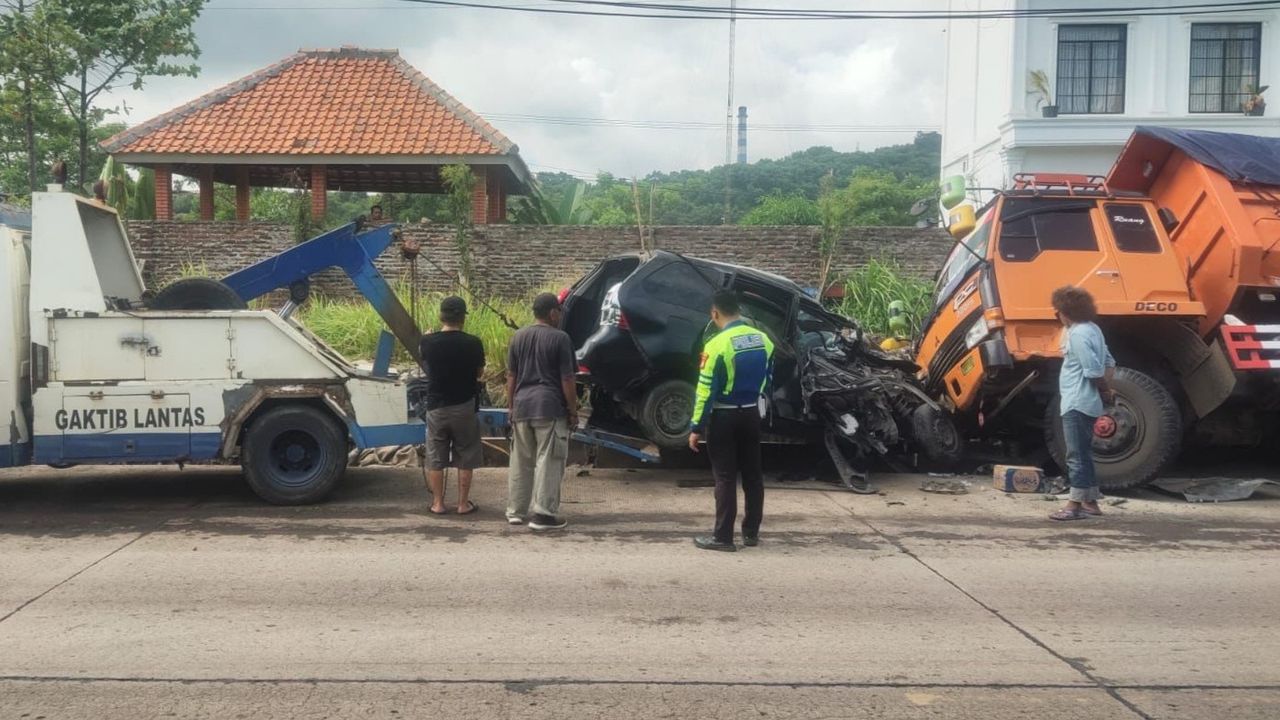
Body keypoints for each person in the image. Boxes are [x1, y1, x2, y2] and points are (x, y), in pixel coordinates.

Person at [689, 290, 774, 552]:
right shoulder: (764, 340)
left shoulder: (716, 345)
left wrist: (696, 427)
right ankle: (751, 533)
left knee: (725, 477)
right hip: (750, 413)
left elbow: (705, 391)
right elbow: (768, 381)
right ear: (738, 310)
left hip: (724, 415)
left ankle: (723, 538)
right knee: (753, 475)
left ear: (715, 313)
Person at [505, 292, 578, 531]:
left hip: (522, 406)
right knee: (549, 461)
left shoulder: (518, 337)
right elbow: (567, 379)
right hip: (549, 407)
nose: (560, 315)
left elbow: (511, 376)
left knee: (521, 461)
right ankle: (543, 516)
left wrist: (511, 407)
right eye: (558, 311)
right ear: (552, 313)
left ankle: (515, 512)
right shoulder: (561, 338)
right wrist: (573, 410)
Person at [1049, 285, 1115, 522]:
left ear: (1066, 312)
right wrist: (1105, 390)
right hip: (1090, 403)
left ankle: (1073, 505)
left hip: (1076, 402)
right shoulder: (1094, 329)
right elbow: (1109, 361)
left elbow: (1092, 369)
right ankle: (1091, 502)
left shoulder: (1076, 334)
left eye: (1057, 311)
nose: (1057, 316)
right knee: (1084, 453)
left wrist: (1105, 390)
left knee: (1075, 455)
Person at [418, 296, 486, 516]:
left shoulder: (427, 342)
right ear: (462, 319)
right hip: (464, 405)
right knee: (465, 453)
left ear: (441, 316)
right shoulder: (473, 343)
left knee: (435, 456)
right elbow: (479, 374)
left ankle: (437, 504)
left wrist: (427, 337)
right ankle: (462, 504)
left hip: (436, 406)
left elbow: (425, 361)